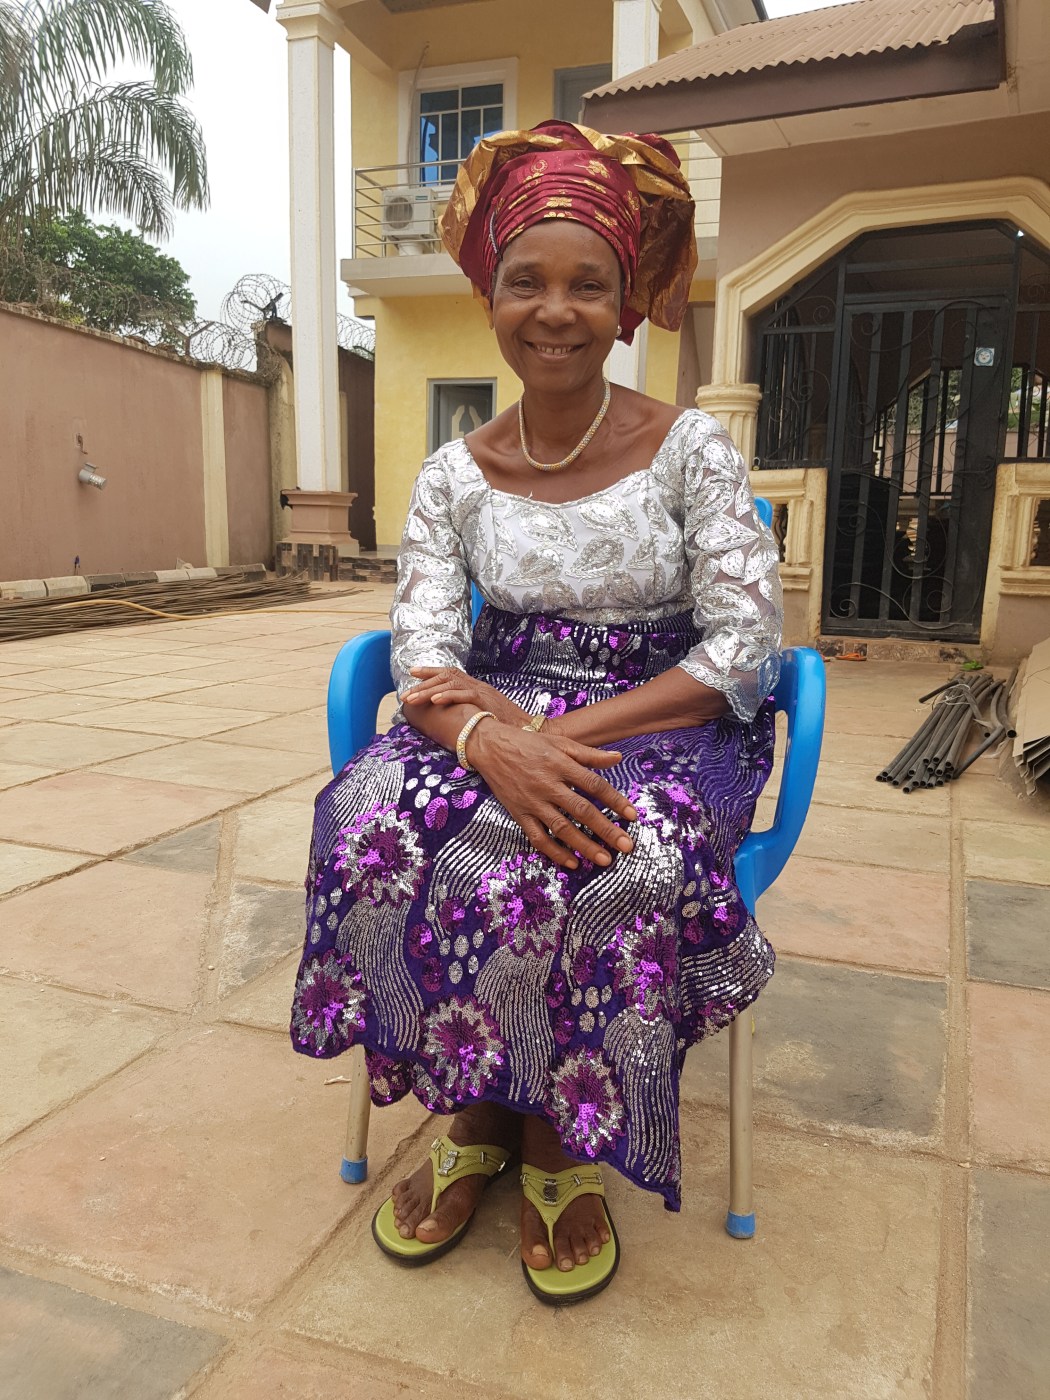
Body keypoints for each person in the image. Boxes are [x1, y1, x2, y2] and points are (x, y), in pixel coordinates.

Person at [290, 120, 783, 1306]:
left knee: (612, 852)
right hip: (496, 697)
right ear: (490, 297)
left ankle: (563, 1131)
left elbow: (744, 645)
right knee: (371, 816)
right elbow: (423, 645)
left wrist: (556, 739)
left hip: (667, 709)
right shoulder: (452, 472)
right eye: (527, 280)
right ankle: (472, 1100)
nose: (555, 310)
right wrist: (484, 735)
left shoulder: (692, 448)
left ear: (627, 306)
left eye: (587, 284)